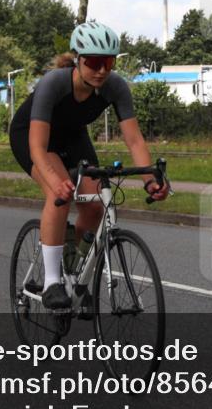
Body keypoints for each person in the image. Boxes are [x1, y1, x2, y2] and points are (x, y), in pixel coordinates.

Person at [9, 21, 169, 309]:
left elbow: (134, 140)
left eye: (108, 62)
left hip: (73, 136)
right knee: (59, 195)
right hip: (33, 136)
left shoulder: (116, 87)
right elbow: (37, 147)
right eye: (94, 62)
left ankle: (77, 273)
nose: (102, 71)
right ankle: (52, 282)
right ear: (78, 59)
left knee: (97, 203)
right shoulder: (54, 83)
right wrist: (54, 181)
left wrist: (150, 179)